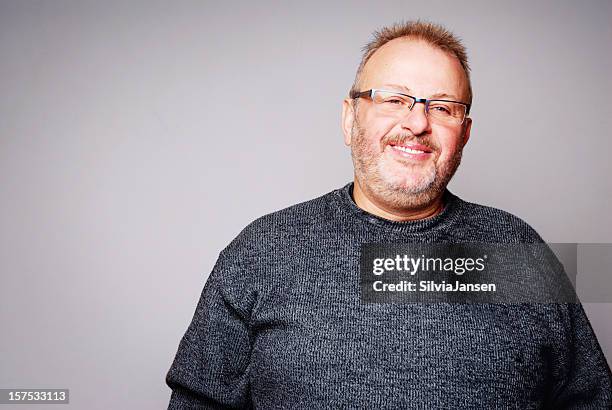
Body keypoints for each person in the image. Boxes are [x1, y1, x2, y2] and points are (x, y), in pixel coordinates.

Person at [166, 21, 612, 408]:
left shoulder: (515, 250)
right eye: (394, 99)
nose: (418, 123)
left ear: (466, 132)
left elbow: (590, 399)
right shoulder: (263, 251)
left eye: (442, 107)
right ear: (349, 118)